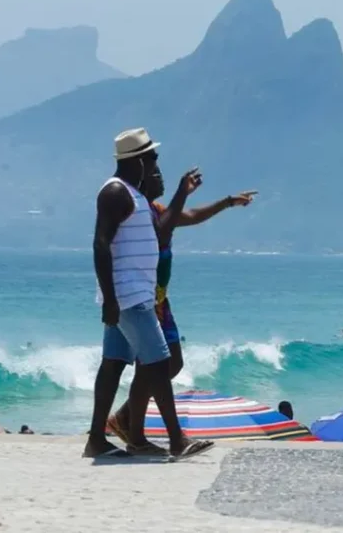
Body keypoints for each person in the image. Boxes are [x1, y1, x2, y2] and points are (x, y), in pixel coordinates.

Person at [82, 128, 211, 460]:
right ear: (136, 160)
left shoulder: (134, 196)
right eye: (151, 157)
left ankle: (98, 439)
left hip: (132, 295)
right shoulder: (114, 193)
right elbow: (100, 244)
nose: (155, 162)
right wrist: (110, 299)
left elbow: (161, 229)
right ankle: (177, 440)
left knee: (113, 364)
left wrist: (183, 193)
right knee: (159, 361)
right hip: (128, 297)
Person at [106, 159, 256, 442]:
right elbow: (162, 229)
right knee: (153, 365)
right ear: (143, 181)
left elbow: (191, 216)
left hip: (161, 300)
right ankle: (134, 430)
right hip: (144, 299)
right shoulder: (141, 214)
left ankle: (125, 418)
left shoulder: (158, 210)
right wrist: (182, 191)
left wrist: (227, 202)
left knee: (172, 363)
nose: (161, 178)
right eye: (156, 174)